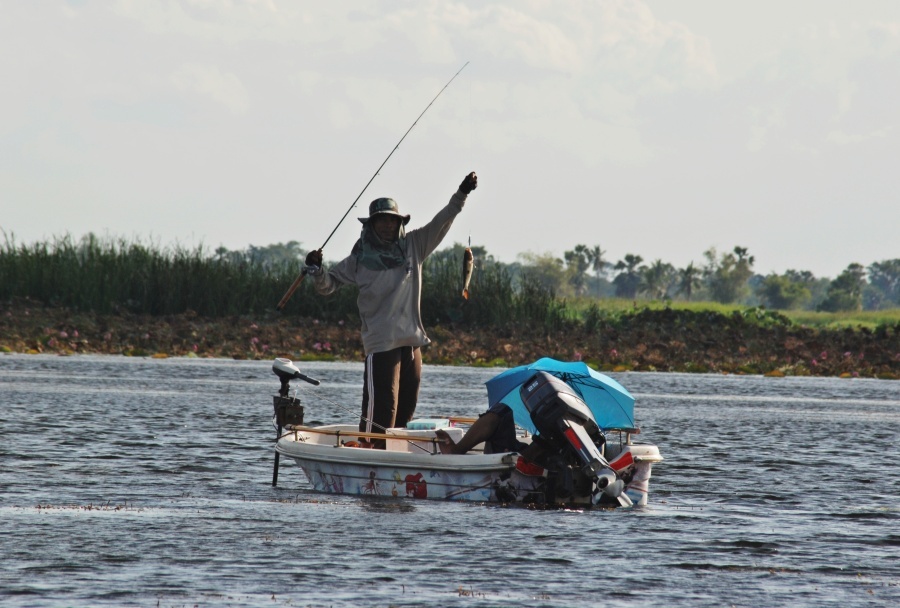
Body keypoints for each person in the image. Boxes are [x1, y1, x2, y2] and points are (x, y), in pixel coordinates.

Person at [305, 172, 478, 447]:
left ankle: (394, 460)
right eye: (381, 220)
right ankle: (370, 452)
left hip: (411, 342)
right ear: (372, 225)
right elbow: (328, 285)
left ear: (399, 223)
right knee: (382, 412)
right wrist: (315, 270)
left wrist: (462, 194)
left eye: (392, 220)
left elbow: (441, 223)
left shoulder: (413, 246)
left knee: (405, 412)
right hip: (381, 342)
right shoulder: (358, 259)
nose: (387, 225)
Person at [434, 402, 528, 455]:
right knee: (503, 408)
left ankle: (456, 451)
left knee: (503, 411)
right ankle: (457, 450)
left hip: (528, 455)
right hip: (523, 450)